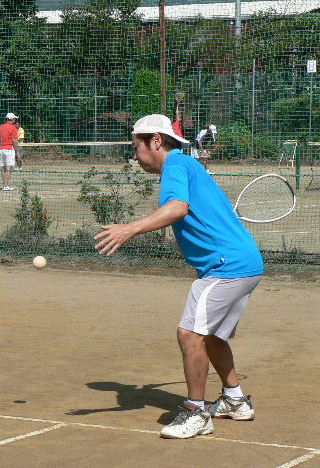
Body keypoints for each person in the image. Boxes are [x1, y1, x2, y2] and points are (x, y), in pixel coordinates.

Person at [94, 114, 263, 440]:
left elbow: (178, 208)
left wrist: (129, 229)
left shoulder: (174, 165)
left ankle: (196, 412)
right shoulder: (188, 166)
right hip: (245, 264)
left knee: (189, 334)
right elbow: (195, 215)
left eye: (136, 147)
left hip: (226, 267)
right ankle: (235, 400)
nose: (135, 155)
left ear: (156, 141)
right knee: (211, 337)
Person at [0, 113, 19, 191]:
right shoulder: (13, 128)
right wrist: (17, 151)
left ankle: (4, 185)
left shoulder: (1, 127)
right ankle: (6, 186)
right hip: (9, 149)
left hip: (2, 149)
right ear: (12, 119)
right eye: (15, 118)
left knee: (4, 168)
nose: (15, 120)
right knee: (8, 168)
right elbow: (14, 140)